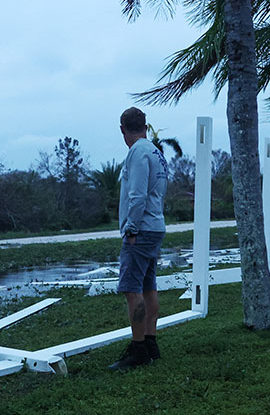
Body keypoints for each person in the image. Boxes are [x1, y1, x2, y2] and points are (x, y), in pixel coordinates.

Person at [109, 107, 168, 371]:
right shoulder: (156, 151)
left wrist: (131, 229)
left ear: (123, 129)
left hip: (141, 229)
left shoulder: (137, 152)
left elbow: (137, 195)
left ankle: (138, 348)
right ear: (145, 126)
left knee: (132, 290)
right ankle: (151, 343)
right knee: (148, 286)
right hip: (155, 226)